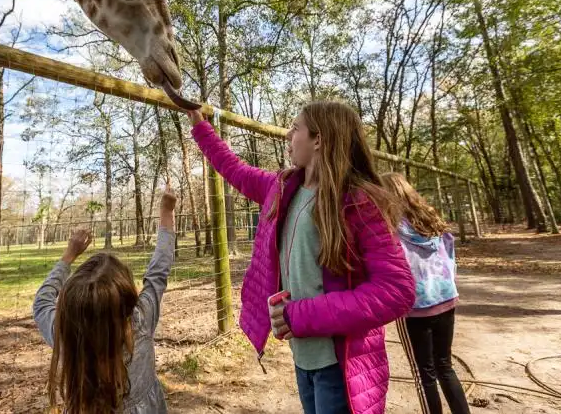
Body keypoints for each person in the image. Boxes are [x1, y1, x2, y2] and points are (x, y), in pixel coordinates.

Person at [188, 101, 415, 414]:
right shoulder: (282, 187)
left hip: (342, 367)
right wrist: (199, 126)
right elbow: (235, 170)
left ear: (318, 140)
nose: (288, 135)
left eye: (295, 128)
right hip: (304, 357)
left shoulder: (360, 202)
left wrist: (302, 315)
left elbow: (397, 291)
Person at [32, 188, 177, 414]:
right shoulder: (140, 320)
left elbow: (42, 302)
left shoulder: (66, 332)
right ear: (129, 300)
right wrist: (166, 212)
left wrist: (69, 255)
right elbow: (159, 272)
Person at [380, 172, 471, 414]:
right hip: (446, 299)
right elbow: (451, 256)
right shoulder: (431, 222)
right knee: (445, 366)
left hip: (416, 307)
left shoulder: (390, 229)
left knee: (425, 375)